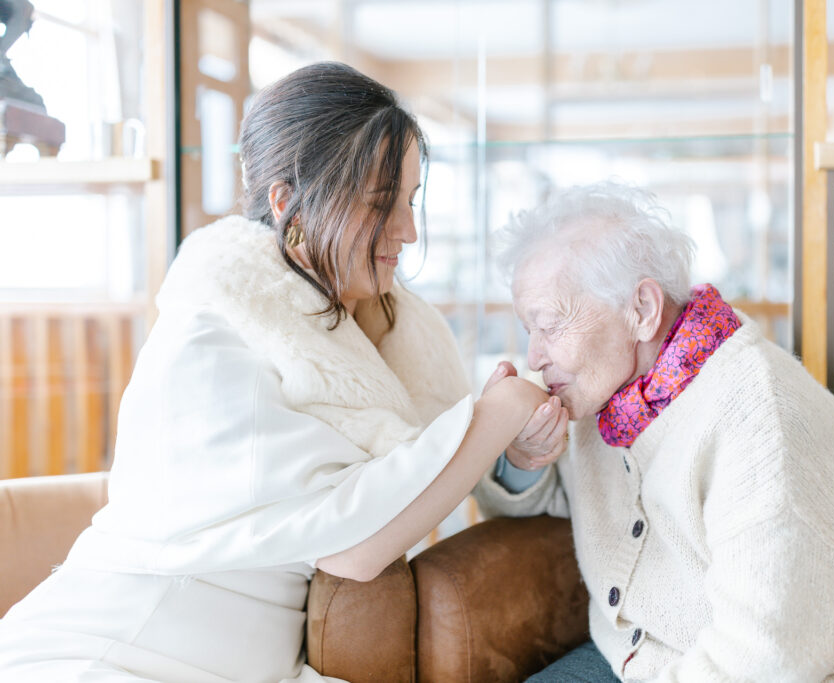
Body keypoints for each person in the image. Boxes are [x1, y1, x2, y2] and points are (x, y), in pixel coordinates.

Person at [0, 62, 554, 682]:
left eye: (410, 201)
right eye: (381, 204)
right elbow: (353, 541)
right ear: (287, 202)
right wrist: (499, 413)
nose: (409, 231)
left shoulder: (396, 334)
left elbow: (435, 478)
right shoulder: (206, 337)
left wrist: (516, 451)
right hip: (117, 650)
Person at [473, 182, 834, 682]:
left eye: (549, 326)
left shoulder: (761, 413)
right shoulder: (605, 396)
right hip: (647, 660)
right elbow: (534, 503)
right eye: (530, 330)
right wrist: (524, 459)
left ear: (642, 310)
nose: (533, 357)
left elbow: (766, 657)